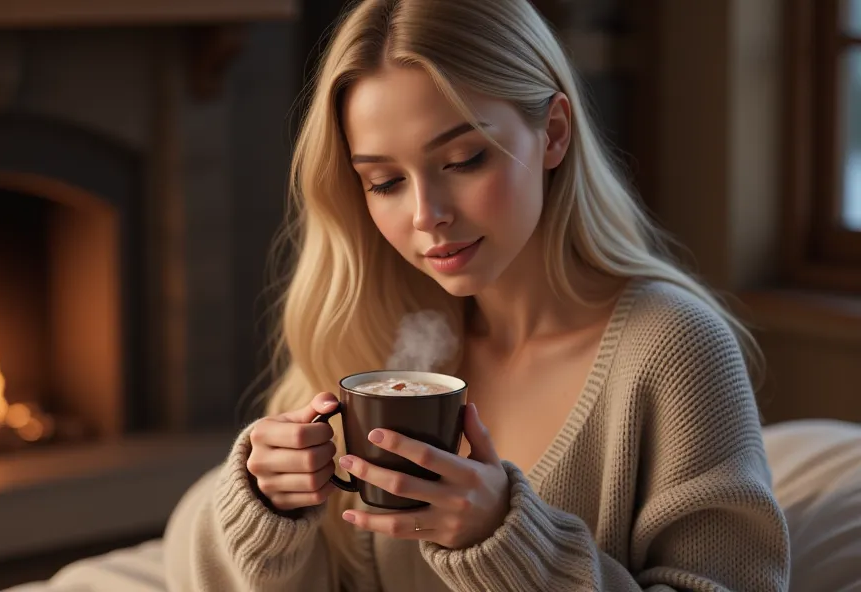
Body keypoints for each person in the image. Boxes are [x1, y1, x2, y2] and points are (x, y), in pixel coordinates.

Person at [162, 0, 791, 590]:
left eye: (463, 159)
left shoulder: (674, 349)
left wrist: (506, 541)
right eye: (383, 182)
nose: (425, 215)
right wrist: (266, 505)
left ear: (553, 134)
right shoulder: (386, 338)